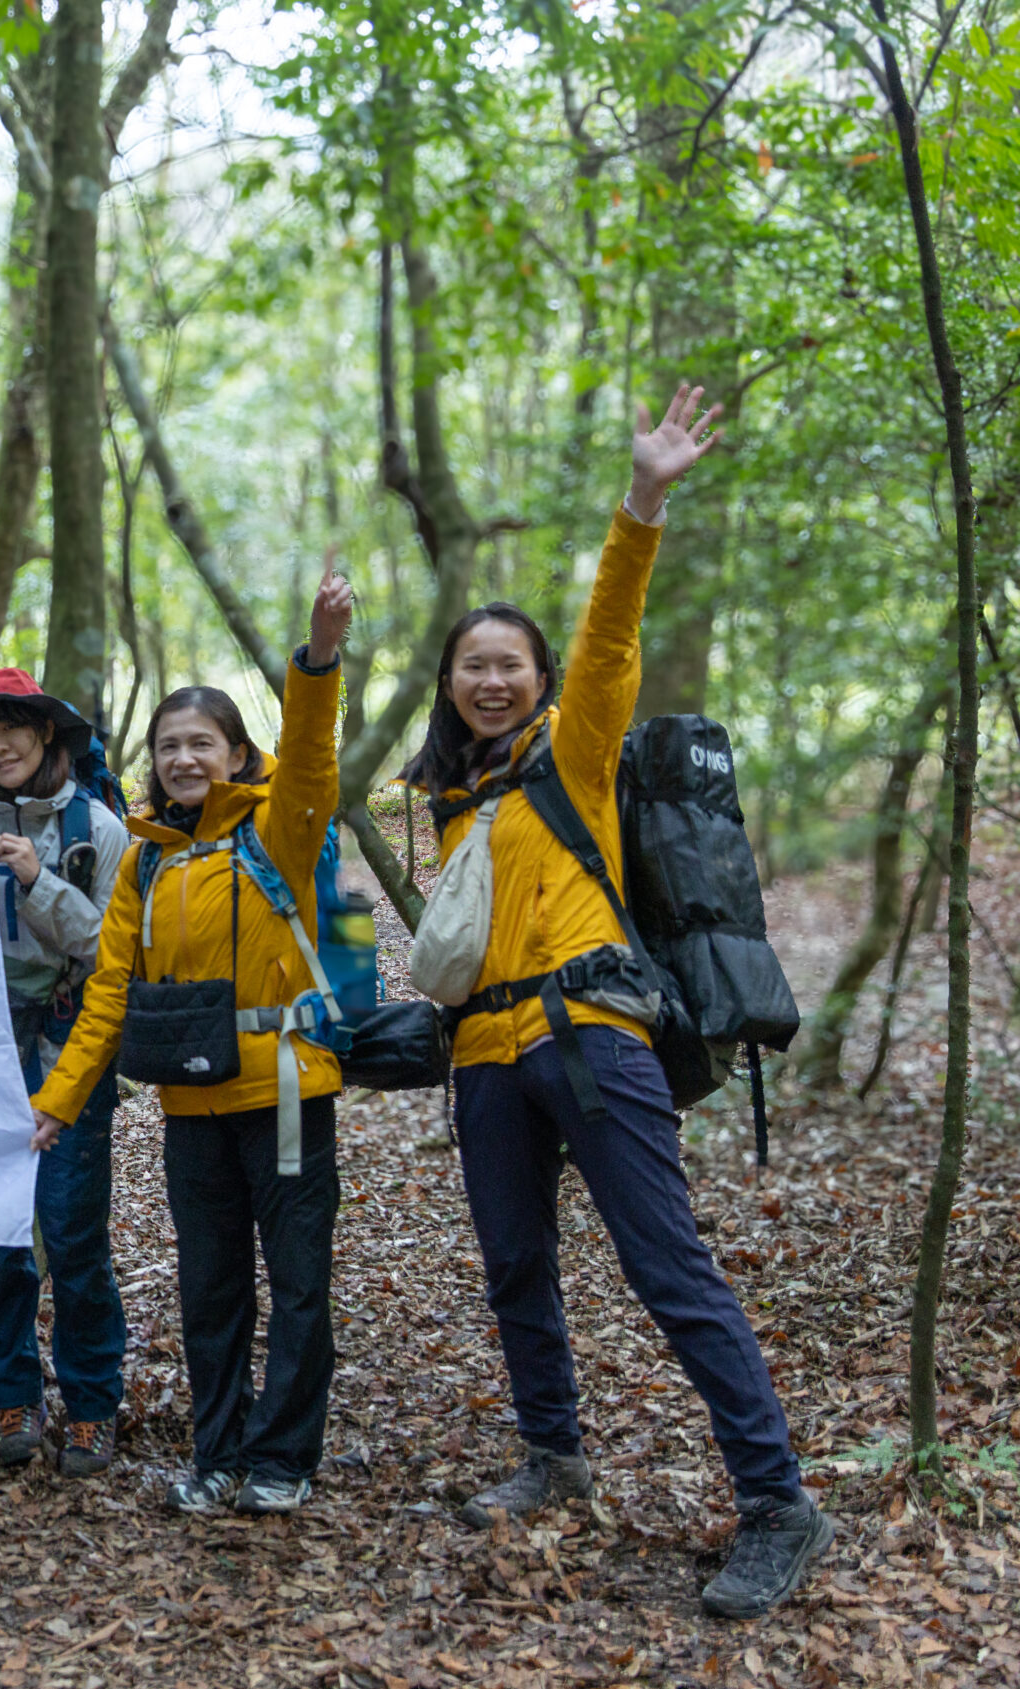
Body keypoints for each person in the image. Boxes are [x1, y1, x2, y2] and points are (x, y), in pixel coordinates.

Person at [403, 386, 828, 1618]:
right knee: (514, 1267)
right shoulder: (451, 800)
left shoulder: (573, 755)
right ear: (449, 684)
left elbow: (607, 639)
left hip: (590, 1036)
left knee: (668, 1269)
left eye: (509, 665)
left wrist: (640, 502)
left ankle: (777, 1501)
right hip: (484, 1057)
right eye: (471, 667)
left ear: (538, 681)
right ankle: (554, 1455)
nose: (491, 681)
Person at [29, 573, 355, 1515]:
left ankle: (284, 1458)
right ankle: (218, 1454)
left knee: (296, 1283)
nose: (182, 758)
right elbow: (109, 996)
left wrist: (320, 654)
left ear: (237, 753)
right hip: (192, 1108)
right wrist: (55, 1102)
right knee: (210, 1287)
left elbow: (313, 757)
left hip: (288, 1094)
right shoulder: (146, 857)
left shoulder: (279, 827)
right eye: (168, 746)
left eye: (200, 743)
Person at [0, 670, 132, 1477]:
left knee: (74, 1234)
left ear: (48, 733)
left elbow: (116, 955)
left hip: (68, 1051)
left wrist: (35, 881)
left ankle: (91, 1406)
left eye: (11, 728)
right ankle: (11, 1397)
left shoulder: (98, 829)